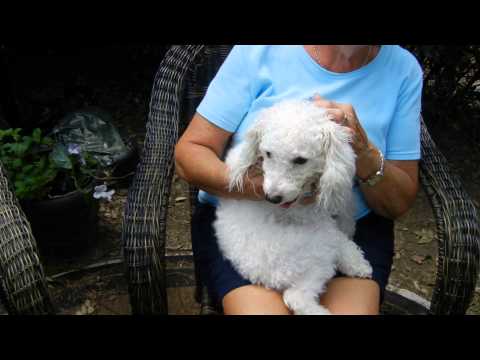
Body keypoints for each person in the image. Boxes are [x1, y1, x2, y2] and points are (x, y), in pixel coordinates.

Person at [175, 45, 423, 315]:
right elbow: (189, 154)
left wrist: (362, 151)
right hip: (249, 223)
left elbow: (397, 203)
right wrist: (261, 189)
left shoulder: (402, 69)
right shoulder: (258, 51)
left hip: (344, 227)